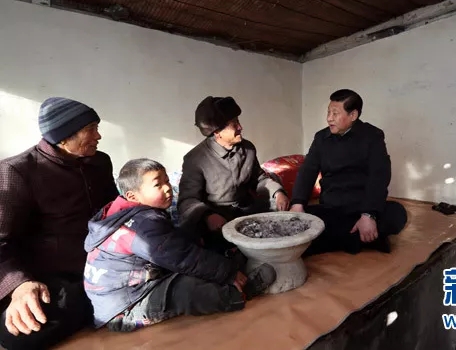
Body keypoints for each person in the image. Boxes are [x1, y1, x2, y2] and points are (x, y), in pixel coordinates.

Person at [83, 158, 276, 331]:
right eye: (158, 184)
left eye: (167, 181)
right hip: (126, 308)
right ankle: (237, 294)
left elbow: (173, 245)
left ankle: (227, 266)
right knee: (185, 288)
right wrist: (228, 272)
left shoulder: (119, 213)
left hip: (129, 290)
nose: (167, 188)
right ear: (133, 196)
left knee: (192, 242)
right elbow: (182, 257)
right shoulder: (142, 226)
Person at [0, 97, 119, 350]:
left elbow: (114, 211)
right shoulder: (16, 171)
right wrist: (19, 285)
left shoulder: (100, 162)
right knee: (18, 335)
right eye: (91, 129)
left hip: (107, 263)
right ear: (63, 137)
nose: (98, 136)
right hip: (55, 276)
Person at [289, 89, 407, 256]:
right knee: (298, 219)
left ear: (353, 115)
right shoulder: (321, 138)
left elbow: (379, 176)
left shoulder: (372, 136)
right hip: (331, 208)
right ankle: (359, 239)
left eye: (335, 113)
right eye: (328, 112)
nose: (329, 118)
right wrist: (298, 203)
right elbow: (307, 170)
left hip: (361, 205)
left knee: (397, 213)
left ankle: (339, 237)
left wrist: (368, 215)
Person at [178, 96, 288, 251]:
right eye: (234, 124)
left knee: (285, 215)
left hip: (246, 209)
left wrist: (277, 193)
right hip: (217, 216)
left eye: (238, 121)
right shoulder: (195, 159)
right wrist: (207, 216)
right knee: (200, 238)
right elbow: (187, 200)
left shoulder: (248, 148)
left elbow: (259, 178)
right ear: (217, 132)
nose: (240, 127)